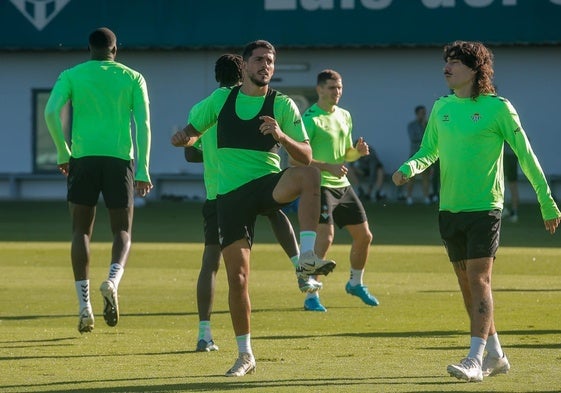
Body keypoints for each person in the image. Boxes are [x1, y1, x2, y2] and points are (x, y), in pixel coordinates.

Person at [392, 40, 560, 382]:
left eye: (454, 62)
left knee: (479, 280)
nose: (446, 68)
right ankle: (495, 354)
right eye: (446, 62)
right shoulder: (441, 108)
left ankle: (474, 359)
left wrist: (546, 200)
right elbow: (428, 151)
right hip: (449, 209)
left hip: (485, 208)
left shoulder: (498, 108)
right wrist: (409, 168)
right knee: (465, 284)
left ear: (475, 70)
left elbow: (526, 155)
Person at [170, 40, 336, 377]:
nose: (265, 65)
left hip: (266, 184)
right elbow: (190, 134)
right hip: (229, 198)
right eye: (259, 60)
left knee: (309, 175)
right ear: (244, 66)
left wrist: (280, 136)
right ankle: (245, 354)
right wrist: (181, 138)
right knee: (238, 278)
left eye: (270, 61)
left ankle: (306, 257)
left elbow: (303, 155)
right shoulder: (221, 99)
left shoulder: (283, 105)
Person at [44, 27, 153, 334]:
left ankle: (84, 306)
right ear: (115, 50)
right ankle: (113, 280)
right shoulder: (133, 77)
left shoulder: (72, 75)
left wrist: (62, 152)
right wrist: (143, 169)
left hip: (83, 159)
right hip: (119, 161)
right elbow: (143, 124)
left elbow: (51, 112)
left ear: (89, 49)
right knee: (122, 230)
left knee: (81, 230)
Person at [299, 69, 380, 312]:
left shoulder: (345, 115)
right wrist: (327, 167)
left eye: (340, 87)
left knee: (365, 236)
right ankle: (311, 295)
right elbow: (297, 160)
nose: (337, 92)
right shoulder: (310, 119)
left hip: (342, 186)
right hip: (319, 185)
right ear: (320, 90)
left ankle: (355, 283)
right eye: (332, 88)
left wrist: (358, 152)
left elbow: (345, 154)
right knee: (326, 237)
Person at [405, 105, 432, 205]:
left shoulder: (428, 124)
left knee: (426, 176)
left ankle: (426, 197)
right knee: (411, 176)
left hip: (425, 154)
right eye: (421, 113)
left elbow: (431, 138)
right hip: (414, 154)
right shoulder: (411, 125)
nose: (423, 115)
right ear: (417, 114)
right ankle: (408, 197)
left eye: (424, 113)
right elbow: (414, 138)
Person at [502, 144, 520, 223]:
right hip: (506, 155)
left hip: (509, 156)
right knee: (504, 184)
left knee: (512, 185)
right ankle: (505, 210)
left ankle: (514, 212)